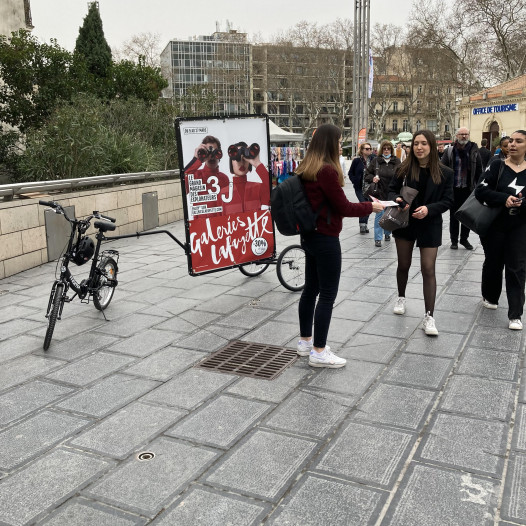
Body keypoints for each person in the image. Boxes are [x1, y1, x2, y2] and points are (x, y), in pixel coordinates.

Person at [296, 124, 383, 367]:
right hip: (325, 237)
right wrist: (371, 207)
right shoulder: (327, 171)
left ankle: (305, 342)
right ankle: (319, 351)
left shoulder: (305, 167)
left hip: (309, 235)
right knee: (327, 294)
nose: (339, 145)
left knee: (310, 289)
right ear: (329, 143)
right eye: (337, 141)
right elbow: (344, 207)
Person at [389, 130, 454, 336]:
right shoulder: (403, 169)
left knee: (428, 269)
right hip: (405, 222)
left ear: (432, 146)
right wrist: (399, 200)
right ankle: (401, 296)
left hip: (430, 223)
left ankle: (429, 316)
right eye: (416, 143)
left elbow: (449, 200)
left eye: (424, 143)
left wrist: (429, 209)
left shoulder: (445, 172)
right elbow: (391, 191)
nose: (419, 147)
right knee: (403, 264)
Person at [475, 130, 526, 331]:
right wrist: (503, 199)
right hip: (495, 224)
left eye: (518, 141)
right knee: (493, 262)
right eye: (511, 141)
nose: (512, 144)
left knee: (517, 267)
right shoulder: (497, 165)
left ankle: (515, 314)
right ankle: (490, 296)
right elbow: (480, 190)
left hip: (520, 225)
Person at [441, 127, 483, 250]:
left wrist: (479, 187)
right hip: (453, 188)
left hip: (468, 189)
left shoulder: (474, 151)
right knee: (453, 216)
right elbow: (442, 169)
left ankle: (464, 239)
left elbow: (479, 171)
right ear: (456, 136)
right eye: (461, 134)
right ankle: (454, 240)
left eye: (466, 134)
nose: (464, 136)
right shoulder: (450, 151)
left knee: (466, 216)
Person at [364, 140, 401, 247]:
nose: (386, 150)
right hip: (379, 192)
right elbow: (367, 175)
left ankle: (387, 233)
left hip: (392, 193)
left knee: (389, 215)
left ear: (391, 150)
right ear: (381, 150)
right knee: (379, 215)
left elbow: (403, 174)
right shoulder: (376, 160)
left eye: (388, 148)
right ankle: (378, 238)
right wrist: (373, 178)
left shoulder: (396, 161)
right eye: (384, 148)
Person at [184, 135, 230, 218]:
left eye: (215, 152)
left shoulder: (224, 178)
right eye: (208, 152)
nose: (211, 157)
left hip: (221, 226)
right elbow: (182, 189)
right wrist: (196, 159)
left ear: (219, 154)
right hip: (201, 226)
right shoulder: (194, 175)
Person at [219, 141, 270, 216]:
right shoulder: (222, 193)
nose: (242, 162)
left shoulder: (258, 188)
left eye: (245, 158)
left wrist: (257, 163)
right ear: (231, 162)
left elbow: (273, 196)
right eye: (237, 158)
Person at [348, 142, 374, 234]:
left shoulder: (373, 159)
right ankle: (362, 225)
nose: (369, 150)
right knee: (363, 204)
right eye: (367, 149)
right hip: (359, 188)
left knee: (369, 205)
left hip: (370, 188)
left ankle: (365, 224)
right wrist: (354, 181)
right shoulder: (356, 161)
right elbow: (350, 173)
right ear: (362, 150)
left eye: (370, 148)